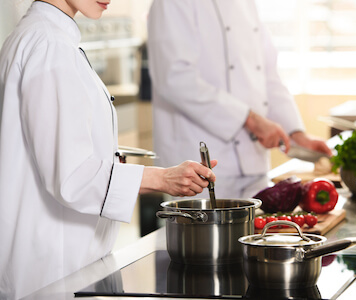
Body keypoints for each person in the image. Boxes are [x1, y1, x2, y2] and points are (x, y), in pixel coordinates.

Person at [0, 1, 217, 299]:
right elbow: (72, 177)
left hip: (61, 260)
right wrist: (162, 178)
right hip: (53, 268)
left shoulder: (45, 37)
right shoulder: (49, 45)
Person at [147, 0, 332, 199]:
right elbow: (174, 78)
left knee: (258, 228)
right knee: (203, 229)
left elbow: (266, 75)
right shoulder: (171, 3)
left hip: (254, 161)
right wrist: (249, 119)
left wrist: (296, 133)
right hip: (197, 166)